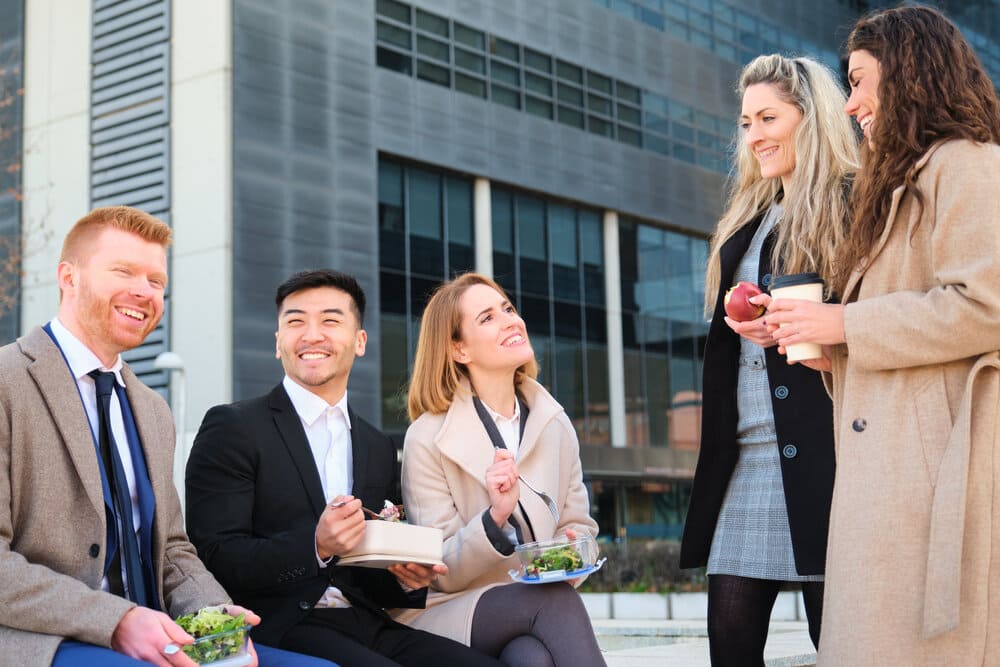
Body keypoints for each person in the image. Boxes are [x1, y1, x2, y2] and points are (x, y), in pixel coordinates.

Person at [763, 7, 1000, 665]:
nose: (851, 104)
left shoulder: (971, 165)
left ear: (909, 73)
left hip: (932, 483)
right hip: (887, 482)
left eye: (863, 82)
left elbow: (987, 305)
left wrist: (844, 323)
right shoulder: (901, 185)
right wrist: (820, 343)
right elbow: (902, 330)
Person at [0, 206, 334, 666]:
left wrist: (216, 617)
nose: (144, 291)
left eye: (156, 281)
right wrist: (116, 621)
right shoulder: (6, 381)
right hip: (40, 640)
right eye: (124, 271)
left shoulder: (152, 409)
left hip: (157, 634)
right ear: (68, 277)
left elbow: (172, 550)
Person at [185, 269, 503, 667]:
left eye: (330, 321)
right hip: (280, 625)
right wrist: (315, 546)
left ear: (360, 342)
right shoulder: (233, 427)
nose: (312, 334)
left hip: (367, 622)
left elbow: (371, 575)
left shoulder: (377, 446)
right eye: (295, 321)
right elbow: (213, 556)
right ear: (278, 342)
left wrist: (406, 579)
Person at [677, 54, 859, 664]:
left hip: (829, 455)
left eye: (768, 118)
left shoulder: (852, 201)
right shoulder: (751, 217)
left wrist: (817, 335)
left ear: (812, 120)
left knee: (835, 643)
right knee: (728, 646)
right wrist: (744, 321)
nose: (753, 135)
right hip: (748, 458)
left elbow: (872, 313)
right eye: (746, 122)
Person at [396, 272, 605, 667]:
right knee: (556, 603)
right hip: (450, 608)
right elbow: (439, 571)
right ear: (459, 350)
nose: (511, 320)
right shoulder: (427, 437)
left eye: (508, 309)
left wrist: (572, 548)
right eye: (487, 318)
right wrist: (495, 518)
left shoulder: (554, 423)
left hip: (533, 607)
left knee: (531, 658)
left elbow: (582, 527)